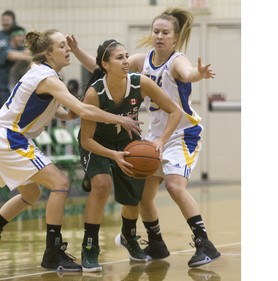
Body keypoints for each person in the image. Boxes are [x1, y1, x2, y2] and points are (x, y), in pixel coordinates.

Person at [0, 29, 143, 272]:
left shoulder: (44, 75)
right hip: (11, 139)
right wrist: (119, 119)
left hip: (5, 137)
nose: (68, 49)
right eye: (61, 46)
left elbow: (64, 112)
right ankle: (52, 252)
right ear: (48, 53)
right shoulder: (47, 77)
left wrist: (72, 109)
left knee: (31, 195)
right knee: (60, 183)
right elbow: (83, 112)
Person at [67, 6, 220, 268]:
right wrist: (78, 50)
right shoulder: (142, 60)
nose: (159, 36)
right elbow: (104, 67)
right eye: (156, 31)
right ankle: (156, 243)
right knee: (143, 196)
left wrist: (199, 74)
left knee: (173, 186)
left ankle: (204, 243)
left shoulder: (177, 60)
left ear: (175, 37)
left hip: (183, 132)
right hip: (155, 135)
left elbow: (187, 74)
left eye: (165, 32)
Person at [75, 39, 182, 272]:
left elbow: (175, 110)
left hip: (127, 142)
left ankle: (130, 236)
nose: (126, 62)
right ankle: (90, 247)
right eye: (119, 58)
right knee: (102, 186)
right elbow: (86, 140)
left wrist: (160, 140)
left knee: (134, 191)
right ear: (105, 64)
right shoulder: (95, 93)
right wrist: (113, 155)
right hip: (97, 145)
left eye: (126, 56)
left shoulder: (139, 82)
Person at [0, 10, 31, 112]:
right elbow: (10, 55)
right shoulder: (2, 45)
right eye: (19, 36)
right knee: (4, 113)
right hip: (2, 86)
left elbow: (28, 51)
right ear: (13, 37)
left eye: (22, 36)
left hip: (15, 85)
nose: (21, 38)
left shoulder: (20, 45)